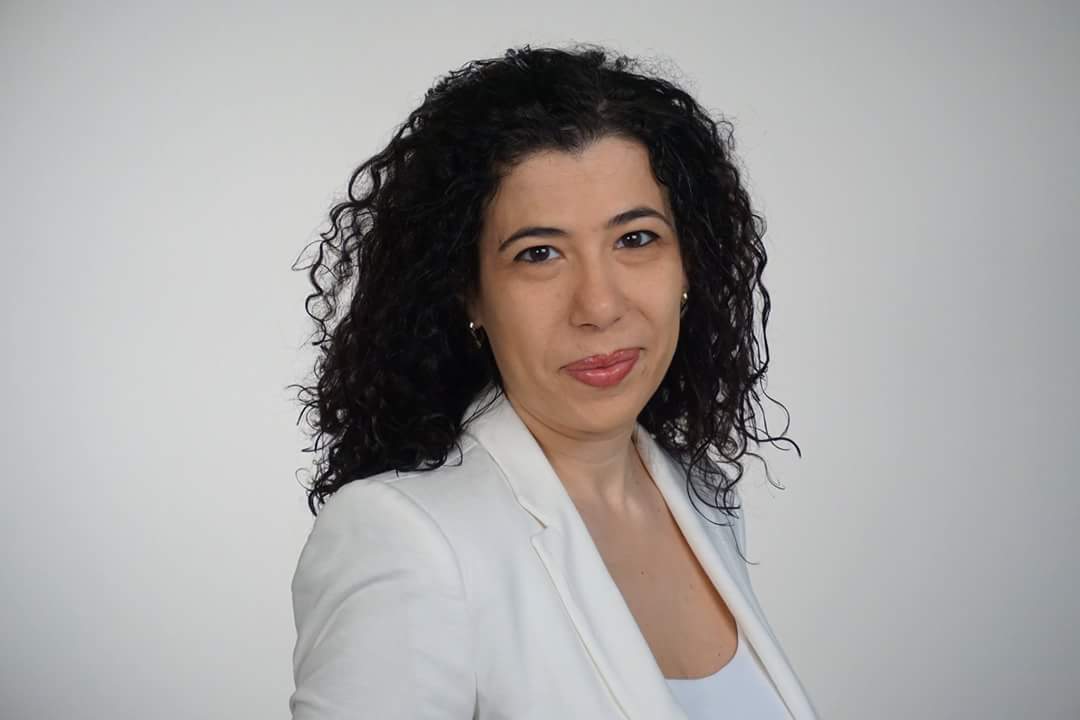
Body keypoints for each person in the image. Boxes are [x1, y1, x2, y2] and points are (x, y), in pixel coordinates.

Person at [288, 43, 818, 719]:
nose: (599, 305)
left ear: (690, 263)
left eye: (636, 239)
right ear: (470, 293)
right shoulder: (407, 539)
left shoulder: (703, 498)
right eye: (538, 254)